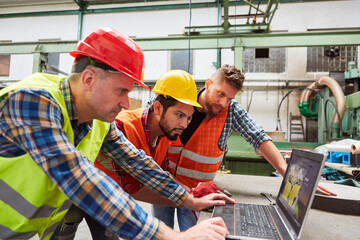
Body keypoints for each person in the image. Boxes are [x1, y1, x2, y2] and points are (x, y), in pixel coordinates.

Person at [0, 27, 234, 240]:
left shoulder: (99, 121)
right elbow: (80, 178)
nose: (125, 103)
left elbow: (137, 162)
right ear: (89, 79)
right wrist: (174, 236)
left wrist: (189, 199)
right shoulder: (32, 101)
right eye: (121, 91)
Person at [152, 64, 337, 231]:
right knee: (159, 232)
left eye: (229, 97)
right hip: (164, 183)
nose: (223, 103)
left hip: (198, 192)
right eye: (220, 93)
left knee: (194, 233)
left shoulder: (231, 110)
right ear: (208, 84)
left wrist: (288, 174)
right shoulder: (182, 101)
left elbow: (259, 138)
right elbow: (152, 120)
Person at [52, 69, 205, 239]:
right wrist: (188, 204)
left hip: (106, 197)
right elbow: (132, 188)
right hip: (73, 194)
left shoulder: (167, 132)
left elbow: (151, 169)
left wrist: (192, 195)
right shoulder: (123, 126)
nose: (184, 124)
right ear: (158, 108)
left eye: (189, 118)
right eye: (179, 115)